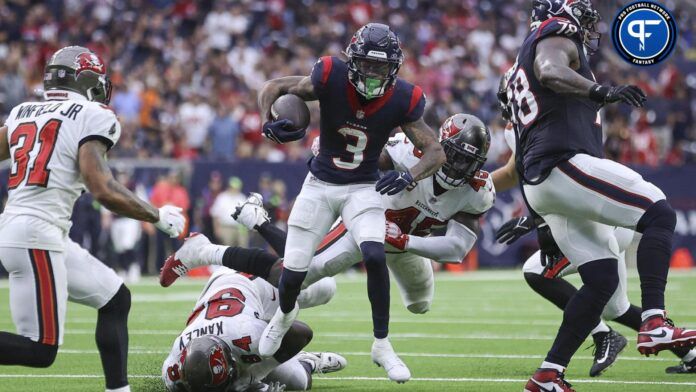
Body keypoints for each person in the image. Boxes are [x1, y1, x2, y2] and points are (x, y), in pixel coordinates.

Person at [161, 113, 493, 379]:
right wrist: (335, 153)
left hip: (406, 243)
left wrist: (405, 240)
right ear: (437, 145)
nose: (459, 167)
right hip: (364, 223)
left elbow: (456, 249)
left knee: (420, 304)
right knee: (297, 271)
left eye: (469, 161)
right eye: (455, 156)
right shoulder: (404, 150)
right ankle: (206, 250)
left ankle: (254, 221)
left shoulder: (477, 190)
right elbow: (361, 160)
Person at [499, 2, 696, 390]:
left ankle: (548, 374)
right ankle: (655, 321)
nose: (588, 30)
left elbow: (519, 161)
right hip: (563, 164)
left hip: (545, 181)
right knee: (658, 211)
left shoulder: (518, 77)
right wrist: (600, 90)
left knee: (602, 279)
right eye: (584, 21)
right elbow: (550, 70)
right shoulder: (555, 32)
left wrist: (537, 223)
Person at [253, 23, 446, 382]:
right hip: (320, 183)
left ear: (395, 67)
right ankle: (282, 317)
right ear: (352, 61)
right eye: (368, 65)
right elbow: (273, 87)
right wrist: (267, 121)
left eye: (381, 67)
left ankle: (382, 344)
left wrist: (409, 174)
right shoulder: (329, 75)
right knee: (294, 271)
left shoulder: (404, 98)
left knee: (374, 252)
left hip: (364, 186)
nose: (373, 74)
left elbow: (435, 150)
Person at [0, 46, 186, 392]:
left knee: (115, 298)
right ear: (83, 79)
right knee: (40, 350)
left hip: (35, 229)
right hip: (36, 234)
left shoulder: (23, 110)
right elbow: (102, 189)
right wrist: (157, 215)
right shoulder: (91, 113)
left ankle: (118, 390)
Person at [162, 267, 345, 392]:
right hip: (228, 295)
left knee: (327, 287)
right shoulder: (173, 370)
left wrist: (253, 376)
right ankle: (308, 364)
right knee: (297, 381)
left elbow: (302, 333)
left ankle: (303, 358)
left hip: (261, 285)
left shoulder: (247, 336)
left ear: (232, 358)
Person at [210, 176, 248, 247]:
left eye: (236, 188)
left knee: (243, 250)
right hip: (225, 227)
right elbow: (215, 215)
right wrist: (216, 229)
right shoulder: (222, 197)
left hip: (240, 229)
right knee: (227, 250)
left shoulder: (242, 198)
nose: (234, 189)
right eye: (233, 187)